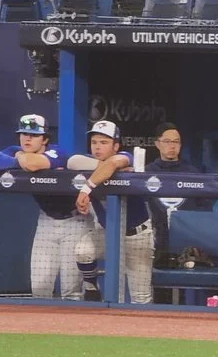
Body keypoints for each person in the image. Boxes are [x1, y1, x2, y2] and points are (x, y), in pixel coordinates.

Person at [0, 114, 92, 300]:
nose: (27, 139)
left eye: (33, 135)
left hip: (75, 221)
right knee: (39, 287)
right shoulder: (16, 150)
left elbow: (33, 165)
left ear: (45, 139)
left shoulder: (57, 152)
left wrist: (19, 158)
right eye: (24, 134)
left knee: (71, 291)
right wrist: (20, 157)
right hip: (46, 221)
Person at [67, 120, 155, 304]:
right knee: (83, 250)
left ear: (116, 146)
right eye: (94, 142)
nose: (97, 147)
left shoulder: (126, 157)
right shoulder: (88, 162)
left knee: (141, 298)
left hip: (136, 237)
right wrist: (105, 168)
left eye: (104, 142)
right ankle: (92, 289)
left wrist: (86, 189)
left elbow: (115, 162)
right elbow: (72, 162)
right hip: (108, 235)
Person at [144, 122, 201, 266]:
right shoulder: (147, 172)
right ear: (157, 144)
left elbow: (203, 206)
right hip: (156, 238)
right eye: (167, 141)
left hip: (187, 238)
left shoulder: (192, 172)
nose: (172, 146)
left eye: (176, 142)